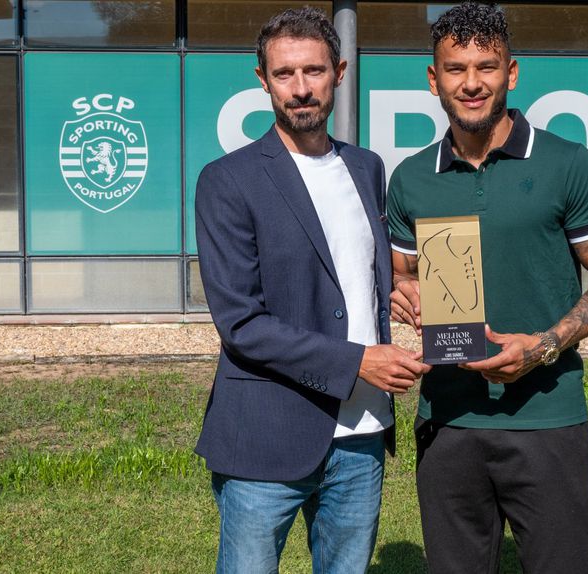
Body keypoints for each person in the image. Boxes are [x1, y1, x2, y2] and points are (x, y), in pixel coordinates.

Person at [386, 2, 588, 573]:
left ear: (511, 72)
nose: (471, 83)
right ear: (434, 79)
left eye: (487, 67)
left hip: (548, 418)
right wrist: (402, 294)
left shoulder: (568, 164)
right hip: (448, 421)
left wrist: (544, 345)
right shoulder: (410, 179)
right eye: (456, 69)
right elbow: (402, 276)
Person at [194, 7, 430, 574]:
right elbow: (242, 324)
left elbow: (352, 271)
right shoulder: (227, 181)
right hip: (266, 435)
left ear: (339, 73)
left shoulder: (367, 168)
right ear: (263, 79)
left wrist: (397, 288)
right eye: (284, 74)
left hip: (362, 434)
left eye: (314, 71)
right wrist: (359, 361)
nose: (300, 88)